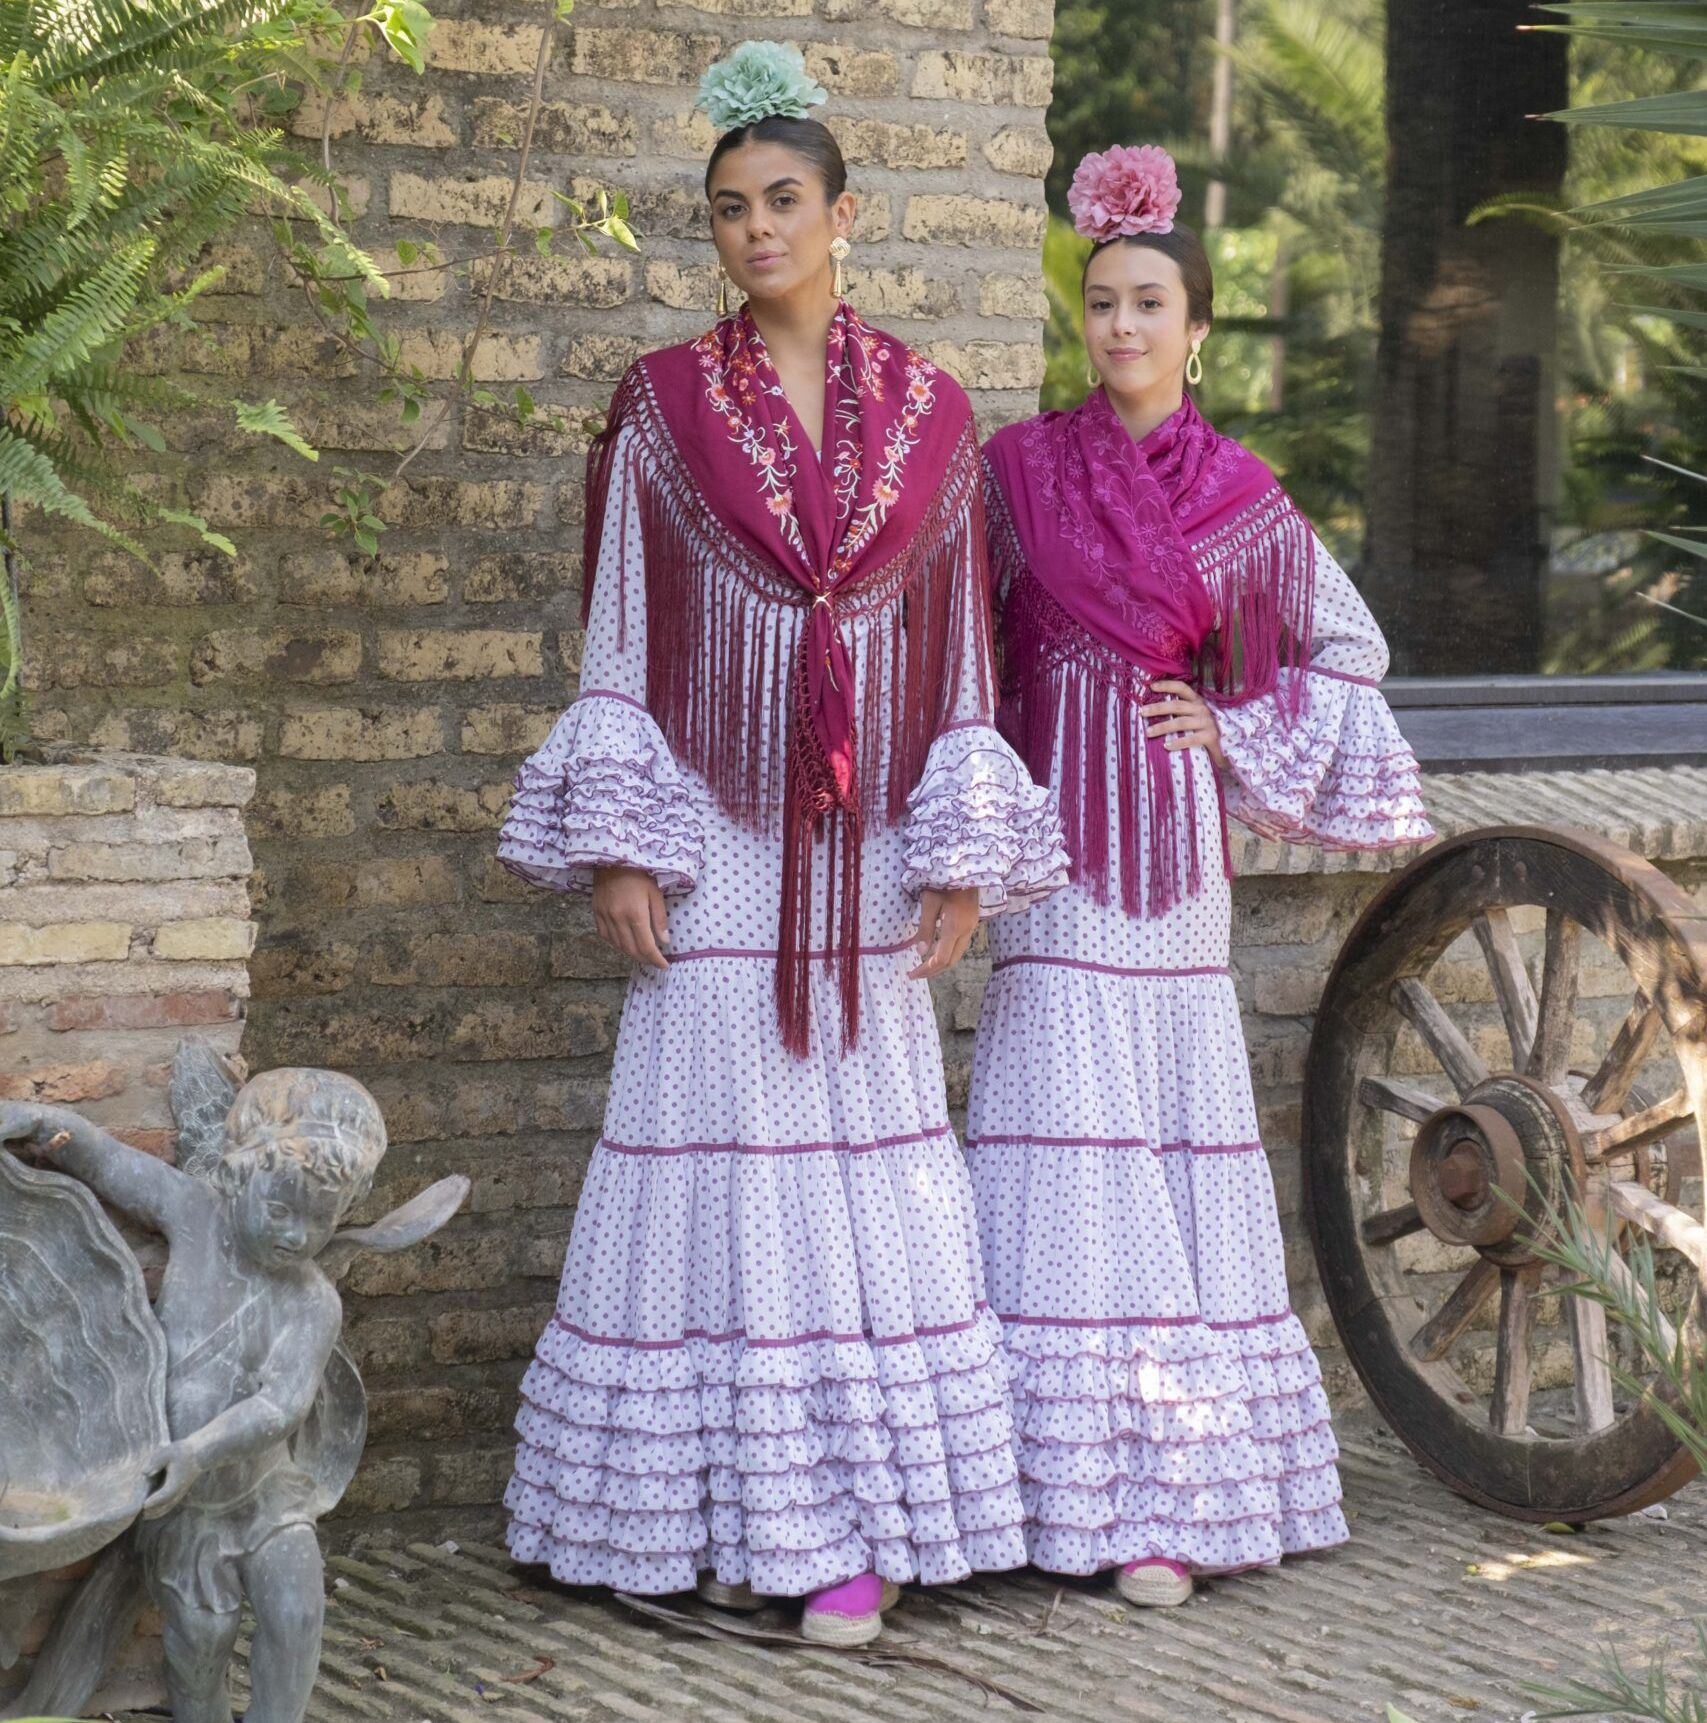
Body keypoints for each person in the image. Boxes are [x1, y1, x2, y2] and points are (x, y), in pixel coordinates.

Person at [495, 41, 1066, 1647]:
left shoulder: (936, 414)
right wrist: (620, 841)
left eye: (783, 200)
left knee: (861, 1165)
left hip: (876, 839)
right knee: (700, 1144)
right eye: (730, 208)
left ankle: (852, 1528)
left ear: (843, 211)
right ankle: (670, 1511)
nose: (757, 229)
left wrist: (959, 849)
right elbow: (616, 629)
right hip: (717, 836)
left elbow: (959, 646)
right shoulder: (665, 406)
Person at [967, 144, 1435, 1607]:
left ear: (1196, 328)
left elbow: (1350, 653)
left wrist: (1229, 718)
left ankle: (1172, 1498)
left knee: (1156, 1160)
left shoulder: (1240, 502)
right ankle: (1034, 1491)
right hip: (1053, 864)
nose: (1117, 327)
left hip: (1172, 864)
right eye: (1098, 302)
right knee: (1057, 1140)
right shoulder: (1015, 473)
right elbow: (959, 647)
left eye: (1146, 303)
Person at [0, 1069, 387, 1723]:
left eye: (319, 1219)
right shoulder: (196, 1215)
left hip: (263, 1493)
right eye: (279, 1210)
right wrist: (40, 1124)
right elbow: (108, 1162)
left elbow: (281, 1405)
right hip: (186, 1515)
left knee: (296, 1608)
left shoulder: (311, 1300)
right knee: (198, 1650)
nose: (296, 1233)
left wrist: (199, 1449)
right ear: (238, 1178)